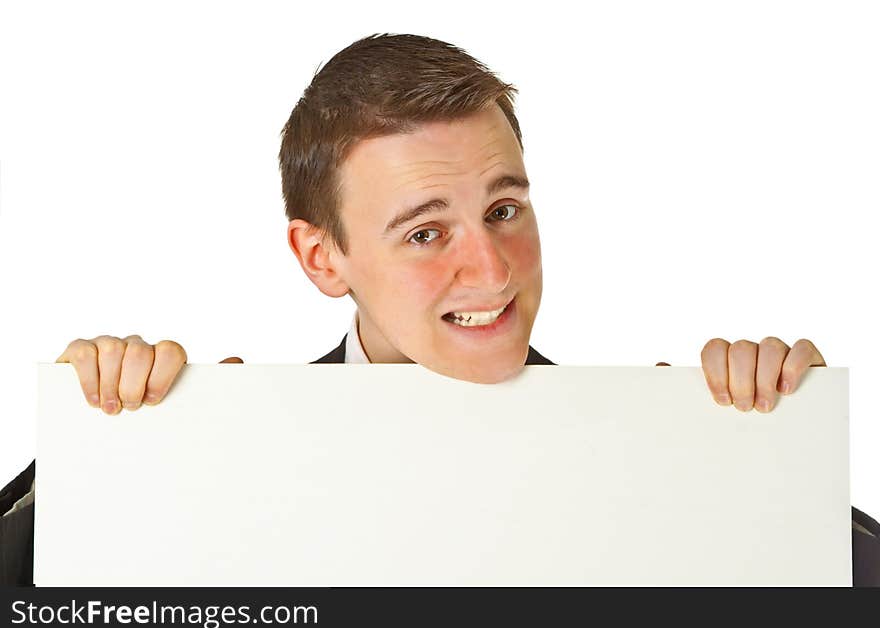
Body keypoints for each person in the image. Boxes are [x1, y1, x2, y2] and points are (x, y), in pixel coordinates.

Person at [2, 33, 877, 586]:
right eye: (426, 234)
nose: (491, 268)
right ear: (322, 257)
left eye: (504, 210)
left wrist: (765, 463)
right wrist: (101, 458)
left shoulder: (668, 447)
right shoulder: (214, 451)